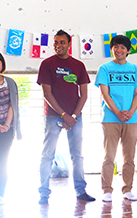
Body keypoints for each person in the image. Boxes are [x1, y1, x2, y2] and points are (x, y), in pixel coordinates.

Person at [37, 29, 95, 204]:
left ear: (69, 44)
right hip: (54, 117)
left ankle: (81, 190)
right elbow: (47, 93)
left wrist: (73, 116)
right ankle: (44, 193)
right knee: (48, 154)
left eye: (62, 42)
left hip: (75, 118)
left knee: (77, 155)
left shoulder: (78, 65)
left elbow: (84, 94)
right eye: (55, 42)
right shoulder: (47, 64)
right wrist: (63, 115)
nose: (58, 45)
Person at [95, 35, 137, 202]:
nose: (119, 50)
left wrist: (130, 112)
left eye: (123, 47)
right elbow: (105, 93)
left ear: (128, 50)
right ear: (112, 49)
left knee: (129, 156)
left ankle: (127, 189)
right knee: (109, 156)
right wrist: (117, 112)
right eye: (115, 47)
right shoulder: (105, 68)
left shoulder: (136, 69)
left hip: (132, 118)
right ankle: (107, 190)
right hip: (110, 118)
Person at [0, 53, 22, 205]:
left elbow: (13, 105)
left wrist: (7, 125)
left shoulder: (10, 82)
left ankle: (0, 194)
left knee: (3, 162)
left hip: (7, 129)